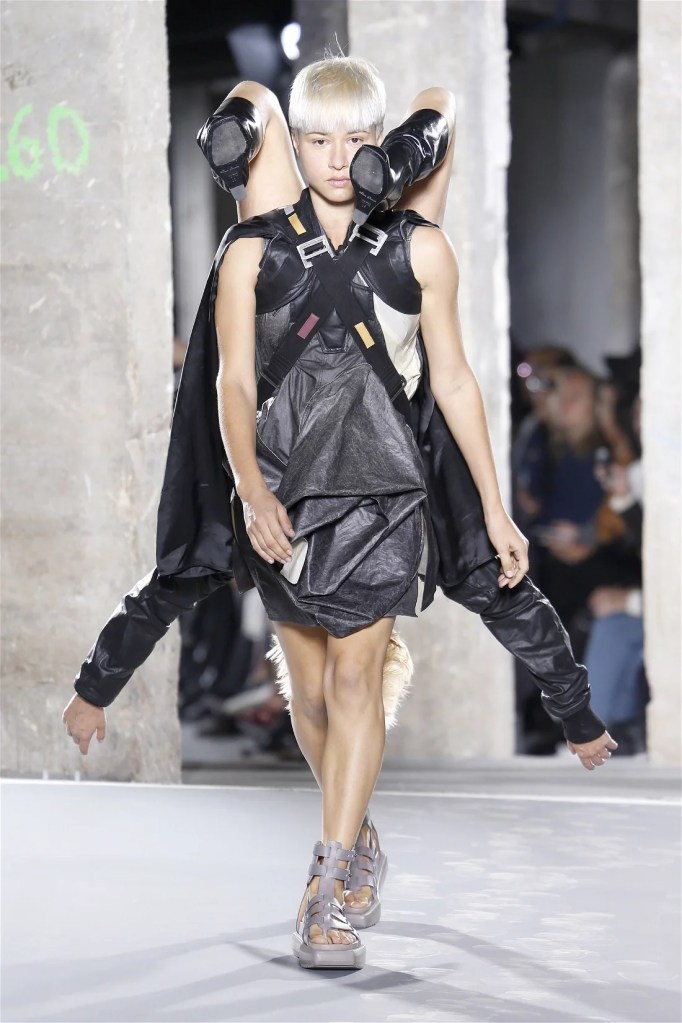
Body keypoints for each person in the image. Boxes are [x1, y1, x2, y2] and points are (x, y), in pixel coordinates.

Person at [62, 56, 617, 971]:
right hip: (282, 495)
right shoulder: (251, 250)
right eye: (315, 139)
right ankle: (355, 833)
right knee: (313, 696)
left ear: (380, 145)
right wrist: (251, 490)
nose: (332, 157)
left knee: (355, 688)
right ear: (295, 144)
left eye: (355, 139)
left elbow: (457, 382)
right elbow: (231, 384)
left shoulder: (418, 246)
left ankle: (324, 892)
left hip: (385, 496)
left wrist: (494, 507)